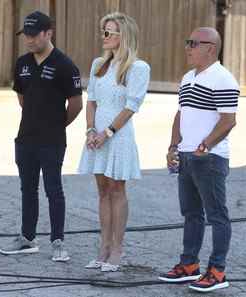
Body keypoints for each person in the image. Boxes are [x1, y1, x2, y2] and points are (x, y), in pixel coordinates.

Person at [158, 27, 239, 292]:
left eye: (193, 43)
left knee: (217, 215)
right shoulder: (188, 77)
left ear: (210, 48)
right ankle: (189, 266)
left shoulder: (223, 79)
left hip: (210, 158)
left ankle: (217, 271)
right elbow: (180, 115)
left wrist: (205, 146)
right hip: (186, 155)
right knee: (191, 213)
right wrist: (173, 146)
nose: (187, 47)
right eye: (187, 41)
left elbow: (228, 121)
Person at [0, 11, 83, 262]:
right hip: (25, 139)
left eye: (34, 35)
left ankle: (58, 242)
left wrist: (56, 126)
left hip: (52, 141)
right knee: (28, 189)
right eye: (26, 35)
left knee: (54, 190)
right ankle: (27, 238)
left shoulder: (65, 65)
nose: (29, 40)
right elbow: (23, 98)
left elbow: (76, 104)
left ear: (48, 33)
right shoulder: (22, 63)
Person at [78, 12, 150, 272]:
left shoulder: (137, 67)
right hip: (96, 136)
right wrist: (89, 130)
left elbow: (131, 107)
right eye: (103, 31)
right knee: (102, 192)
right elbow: (91, 101)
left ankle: (117, 249)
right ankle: (104, 248)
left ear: (124, 36)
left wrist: (106, 133)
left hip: (116, 136)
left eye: (109, 32)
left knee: (117, 190)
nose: (104, 36)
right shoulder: (99, 63)